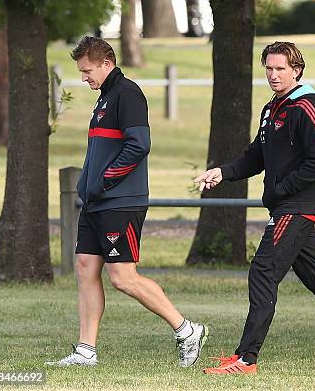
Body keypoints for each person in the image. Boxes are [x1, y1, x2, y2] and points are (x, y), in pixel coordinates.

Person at [195, 42, 315, 374]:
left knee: (263, 271)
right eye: (268, 68)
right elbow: (257, 155)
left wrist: (280, 190)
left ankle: (246, 359)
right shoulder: (272, 109)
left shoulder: (306, 107)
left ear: (297, 69)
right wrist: (223, 172)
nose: (273, 74)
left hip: (295, 207)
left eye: (280, 68)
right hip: (285, 207)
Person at [46, 36, 208, 368]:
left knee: (122, 277)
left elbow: (139, 145)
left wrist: (105, 181)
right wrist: (88, 187)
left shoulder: (127, 94)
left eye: (87, 70)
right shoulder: (104, 98)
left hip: (120, 202)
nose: (84, 77)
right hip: (96, 203)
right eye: (81, 71)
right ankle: (85, 351)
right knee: (85, 268)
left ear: (107, 64)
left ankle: (187, 329)